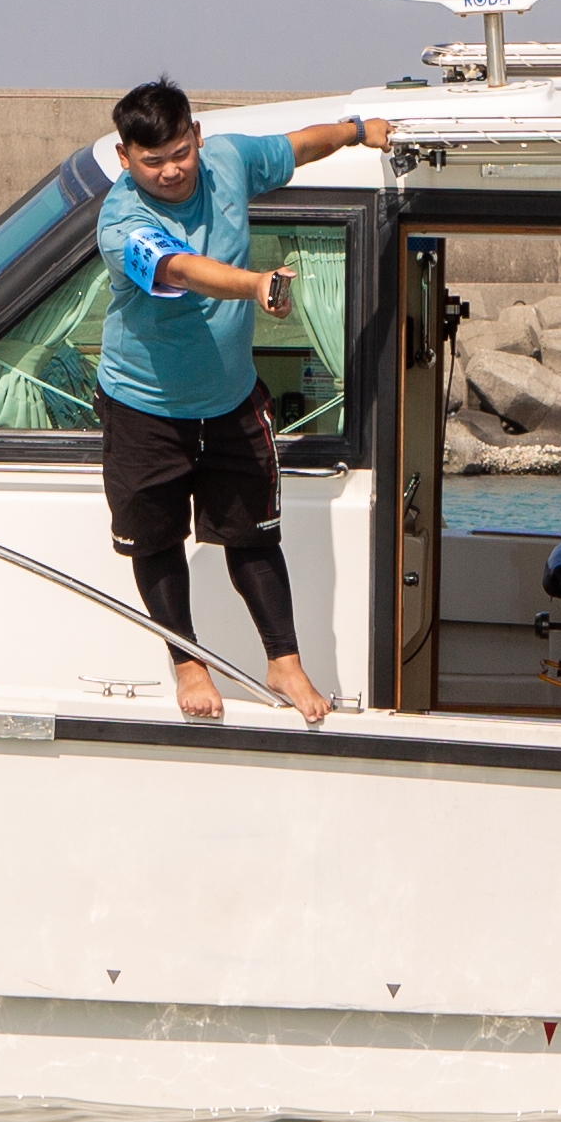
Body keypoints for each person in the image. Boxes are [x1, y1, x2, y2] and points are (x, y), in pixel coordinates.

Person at [95, 79, 389, 724]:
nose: (171, 171)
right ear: (125, 158)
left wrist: (356, 131)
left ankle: (284, 661)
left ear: (197, 137)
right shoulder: (122, 223)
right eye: (152, 161)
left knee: (254, 536)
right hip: (143, 404)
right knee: (156, 541)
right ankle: (188, 661)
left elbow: (297, 146)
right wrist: (255, 284)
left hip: (229, 399)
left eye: (180, 152)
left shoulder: (227, 159)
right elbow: (181, 270)